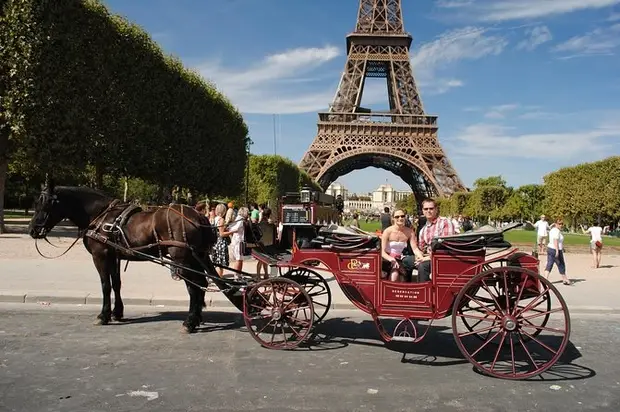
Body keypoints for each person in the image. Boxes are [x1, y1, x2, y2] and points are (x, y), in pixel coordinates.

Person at [404, 198, 455, 283]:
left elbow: (446, 247)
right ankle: (408, 289)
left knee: (423, 266)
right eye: (426, 209)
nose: (428, 211)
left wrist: (426, 258)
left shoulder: (445, 222)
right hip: (428, 257)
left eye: (431, 208)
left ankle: (424, 293)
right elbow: (421, 248)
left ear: (436, 209)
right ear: (422, 211)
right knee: (406, 261)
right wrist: (419, 257)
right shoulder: (424, 229)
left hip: (441, 258)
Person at [381, 209, 419, 282]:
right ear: (393, 218)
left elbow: (415, 249)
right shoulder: (387, 231)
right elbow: (382, 251)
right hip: (387, 259)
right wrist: (391, 259)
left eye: (402, 216)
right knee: (394, 276)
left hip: (401, 259)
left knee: (404, 277)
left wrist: (420, 258)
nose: (400, 218)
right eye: (397, 217)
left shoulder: (409, 232)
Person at [222, 207, 248, 279]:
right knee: (238, 258)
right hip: (238, 241)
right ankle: (236, 274)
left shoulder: (238, 219)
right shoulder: (240, 220)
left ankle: (238, 273)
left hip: (239, 241)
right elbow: (235, 229)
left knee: (240, 258)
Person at [544, 218, 570, 285]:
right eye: (559, 224)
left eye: (562, 224)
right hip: (555, 249)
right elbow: (555, 240)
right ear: (555, 224)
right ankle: (565, 279)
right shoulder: (556, 231)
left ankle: (545, 278)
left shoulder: (552, 230)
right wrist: (557, 250)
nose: (561, 225)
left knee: (549, 263)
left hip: (550, 248)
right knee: (561, 264)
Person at [210, 203, 229, 278]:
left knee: (217, 262)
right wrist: (233, 231)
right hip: (220, 242)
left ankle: (217, 277)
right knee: (220, 263)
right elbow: (221, 234)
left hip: (215, 242)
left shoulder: (214, 219)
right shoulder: (221, 220)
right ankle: (219, 279)